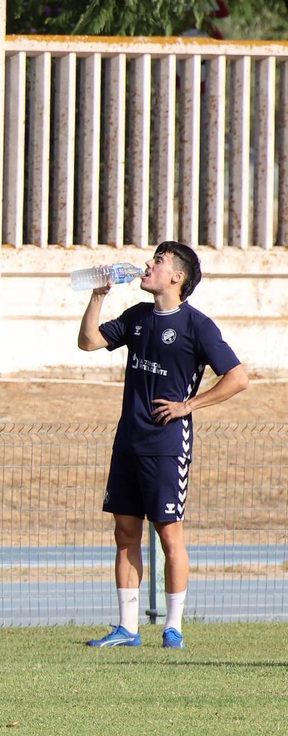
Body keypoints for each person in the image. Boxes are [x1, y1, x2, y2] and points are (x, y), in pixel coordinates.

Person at [78, 242, 248, 649]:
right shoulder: (138, 317)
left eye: (159, 261)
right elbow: (88, 342)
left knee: (169, 535)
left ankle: (173, 627)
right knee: (124, 533)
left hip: (168, 445)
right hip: (129, 442)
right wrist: (97, 295)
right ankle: (127, 629)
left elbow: (238, 378)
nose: (148, 265)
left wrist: (188, 405)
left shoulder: (196, 325)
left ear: (177, 277)